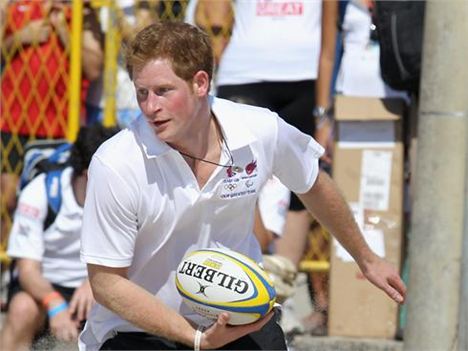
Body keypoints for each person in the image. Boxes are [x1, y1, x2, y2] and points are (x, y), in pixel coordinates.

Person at [78, 21, 406, 351]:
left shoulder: (258, 129)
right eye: (142, 93)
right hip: (139, 329)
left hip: (233, 317)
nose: (150, 107)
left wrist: (368, 259)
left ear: (200, 83)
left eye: (163, 91)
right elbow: (106, 282)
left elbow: (313, 185)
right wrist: (195, 339)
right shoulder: (117, 163)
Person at [0, 123, 119, 351]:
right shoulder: (41, 191)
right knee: (22, 309)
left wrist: (95, 283)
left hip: (98, 281)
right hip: (44, 286)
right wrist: (55, 305)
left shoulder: (121, 196)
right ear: (89, 172)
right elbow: (27, 270)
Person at [0, 0, 103, 250]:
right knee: (7, 199)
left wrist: (64, 32)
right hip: (13, 119)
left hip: (59, 125)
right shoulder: (17, 6)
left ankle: (37, 263)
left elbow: (93, 69)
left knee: (49, 198)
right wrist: (21, 37)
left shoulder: (83, 13)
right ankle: (5, 262)